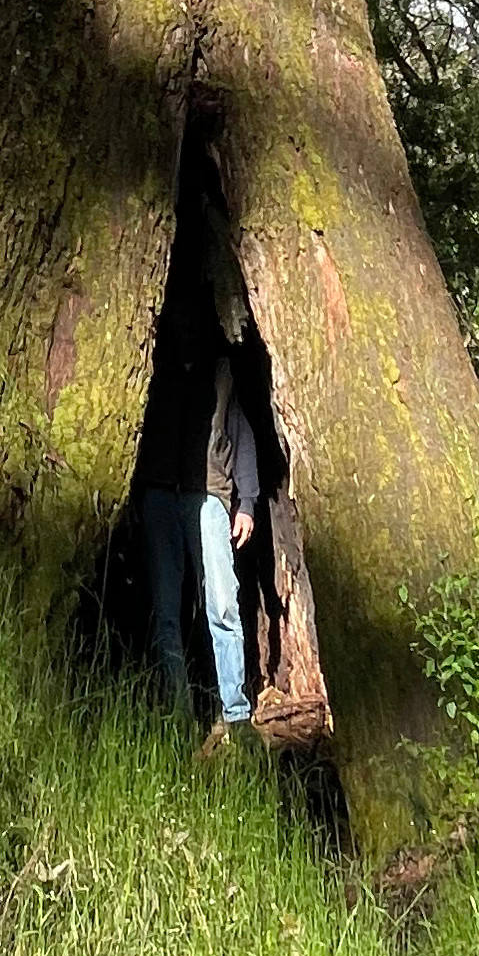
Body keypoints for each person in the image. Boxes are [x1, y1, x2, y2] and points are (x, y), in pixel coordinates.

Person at [131, 245, 263, 744]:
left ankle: (235, 711)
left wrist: (246, 502)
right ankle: (179, 715)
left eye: (194, 317)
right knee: (167, 610)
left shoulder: (222, 372)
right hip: (161, 495)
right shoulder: (151, 371)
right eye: (179, 317)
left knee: (222, 603)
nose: (187, 325)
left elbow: (242, 435)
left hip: (209, 496)